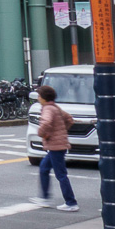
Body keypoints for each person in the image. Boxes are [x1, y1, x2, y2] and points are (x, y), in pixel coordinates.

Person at [33, 83, 80, 211]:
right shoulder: (55, 107)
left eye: (39, 96)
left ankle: (71, 202)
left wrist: (42, 133)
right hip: (58, 145)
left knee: (61, 174)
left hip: (55, 146)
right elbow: (69, 119)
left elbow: (46, 123)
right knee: (44, 168)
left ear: (43, 97)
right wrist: (61, 132)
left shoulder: (48, 109)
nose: (38, 98)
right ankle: (45, 198)